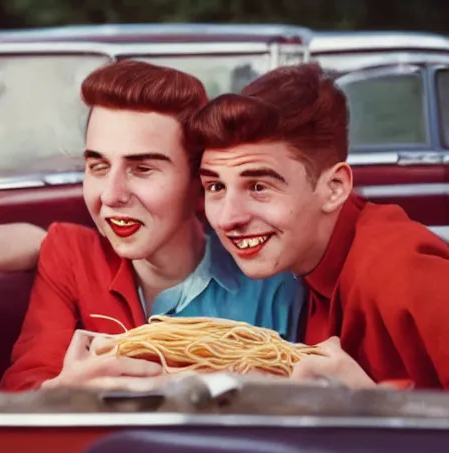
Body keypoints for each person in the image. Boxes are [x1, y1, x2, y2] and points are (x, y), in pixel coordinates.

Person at [0, 60, 305, 391]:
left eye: (142, 169)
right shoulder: (73, 259)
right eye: (98, 166)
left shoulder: (271, 277)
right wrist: (62, 394)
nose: (111, 195)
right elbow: (25, 392)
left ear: (198, 182)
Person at [186, 63, 449, 389]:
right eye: (216, 187)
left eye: (258, 187)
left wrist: (374, 408)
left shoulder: (398, 272)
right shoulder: (302, 265)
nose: (227, 219)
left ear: (334, 187)